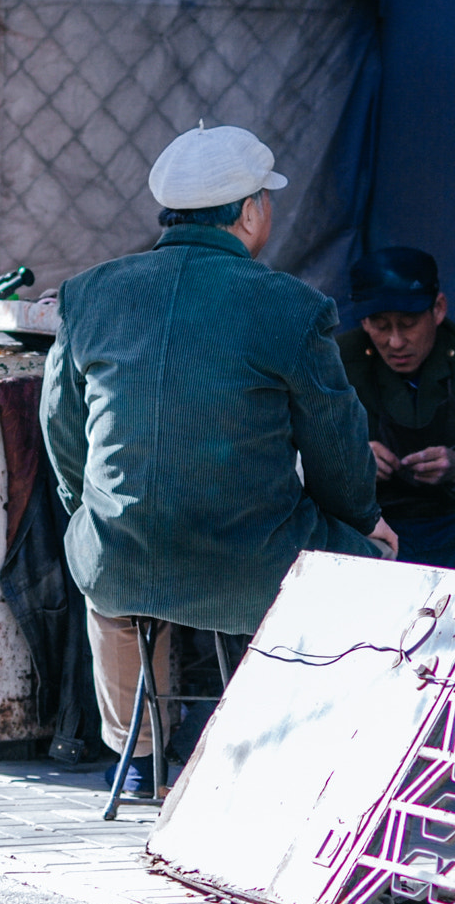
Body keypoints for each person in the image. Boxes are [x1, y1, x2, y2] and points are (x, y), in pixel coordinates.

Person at [40, 124, 395, 792]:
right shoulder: (292, 308)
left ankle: (141, 759)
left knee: (108, 565)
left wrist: (88, 511)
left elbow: (61, 425)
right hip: (250, 565)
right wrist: (360, 520)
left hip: (123, 559)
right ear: (251, 209)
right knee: (368, 562)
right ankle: (285, 752)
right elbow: (336, 444)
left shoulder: (90, 293)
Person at [337, 247, 455, 571]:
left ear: (438, 310)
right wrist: (350, 458)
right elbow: (296, 453)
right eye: (380, 326)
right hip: (373, 524)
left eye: (408, 324)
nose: (395, 342)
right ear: (364, 321)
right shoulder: (337, 363)